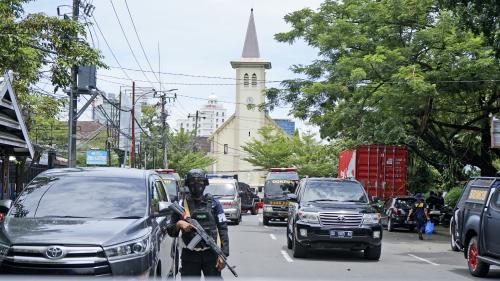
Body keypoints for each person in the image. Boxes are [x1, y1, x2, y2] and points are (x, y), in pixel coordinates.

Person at [166, 169, 229, 279]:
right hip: (189, 255)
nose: (196, 185)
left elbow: (223, 229)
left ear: (205, 184)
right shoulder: (181, 205)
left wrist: (223, 254)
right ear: (187, 184)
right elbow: (171, 231)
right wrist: (179, 224)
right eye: (192, 183)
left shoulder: (214, 204)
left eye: (199, 182)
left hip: (211, 254)